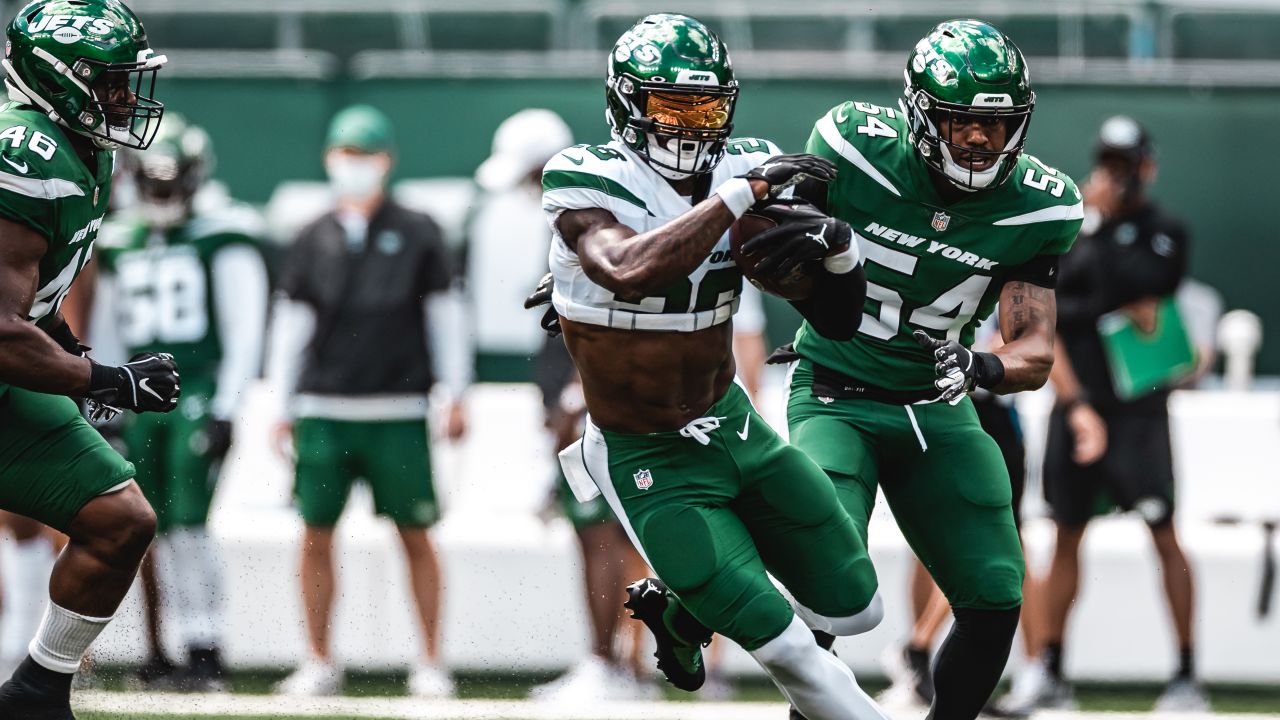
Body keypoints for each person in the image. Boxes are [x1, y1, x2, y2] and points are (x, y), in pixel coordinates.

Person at [528, 14, 889, 720]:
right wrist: (740, 197)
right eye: (672, 105)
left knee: (858, 609)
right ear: (628, 105)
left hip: (733, 425)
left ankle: (684, 613)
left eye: (708, 106)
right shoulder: (589, 174)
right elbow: (627, 269)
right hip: (646, 452)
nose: (691, 125)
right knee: (790, 652)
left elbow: (837, 319)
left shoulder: (739, 170)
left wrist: (839, 254)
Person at [777, 19, 1082, 720]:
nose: (980, 138)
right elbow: (778, 252)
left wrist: (982, 363)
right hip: (834, 388)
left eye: (998, 123)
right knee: (827, 572)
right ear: (920, 112)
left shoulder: (1041, 204)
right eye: (961, 120)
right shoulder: (854, 147)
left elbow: (1034, 348)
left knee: (995, 591)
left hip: (935, 401)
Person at [0, 1, 178, 717]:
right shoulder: (22, 153)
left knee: (119, 521)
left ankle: (36, 693)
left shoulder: (80, 146)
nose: (126, 98)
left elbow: (30, 298)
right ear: (56, 78)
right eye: (109, 82)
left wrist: (69, 352)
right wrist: (108, 380)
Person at [269, 104, 470, 698]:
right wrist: (281, 402)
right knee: (315, 532)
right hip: (324, 408)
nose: (355, 167)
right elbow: (290, 325)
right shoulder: (311, 235)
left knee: (416, 532)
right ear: (331, 159)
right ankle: (318, 659)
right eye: (346, 154)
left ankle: (432, 660)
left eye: (366, 155)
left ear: (386, 161)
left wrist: (456, 394)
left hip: (399, 408)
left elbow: (446, 316)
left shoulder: (419, 230)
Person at [1026, 115, 1205, 712]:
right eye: (1109, 164)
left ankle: (1185, 674)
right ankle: (1050, 669)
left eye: (1127, 165)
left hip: (1139, 411)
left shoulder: (1167, 230)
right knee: (1066, 533)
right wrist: (1093, 224)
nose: (1117, 176)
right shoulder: (1075, 228)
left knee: (1163, 530)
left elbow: (1149, 280)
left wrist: (1100, 263)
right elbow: (1058, 300)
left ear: (1146, 167)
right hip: (1077, 404)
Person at [92, 114, 268, 691]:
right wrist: (111, 405)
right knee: (152, 527)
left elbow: (245, 331)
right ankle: (165, 647)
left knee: (190, 523)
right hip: (141, 397)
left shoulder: (223, 234)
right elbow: (110, 332)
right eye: (153, 179)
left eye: (172, 179)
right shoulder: (123, 241)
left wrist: (227, 407)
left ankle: (206, 646)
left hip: (195, 388)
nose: (161, 191)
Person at [878, 321, 1043, 713]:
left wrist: (979, 357)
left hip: (986, 413)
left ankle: (920, 649)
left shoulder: (1009, 276)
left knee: (1000, 543)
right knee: (936, 539)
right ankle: (920, 653)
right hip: (937, 408)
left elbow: (1027, 350)